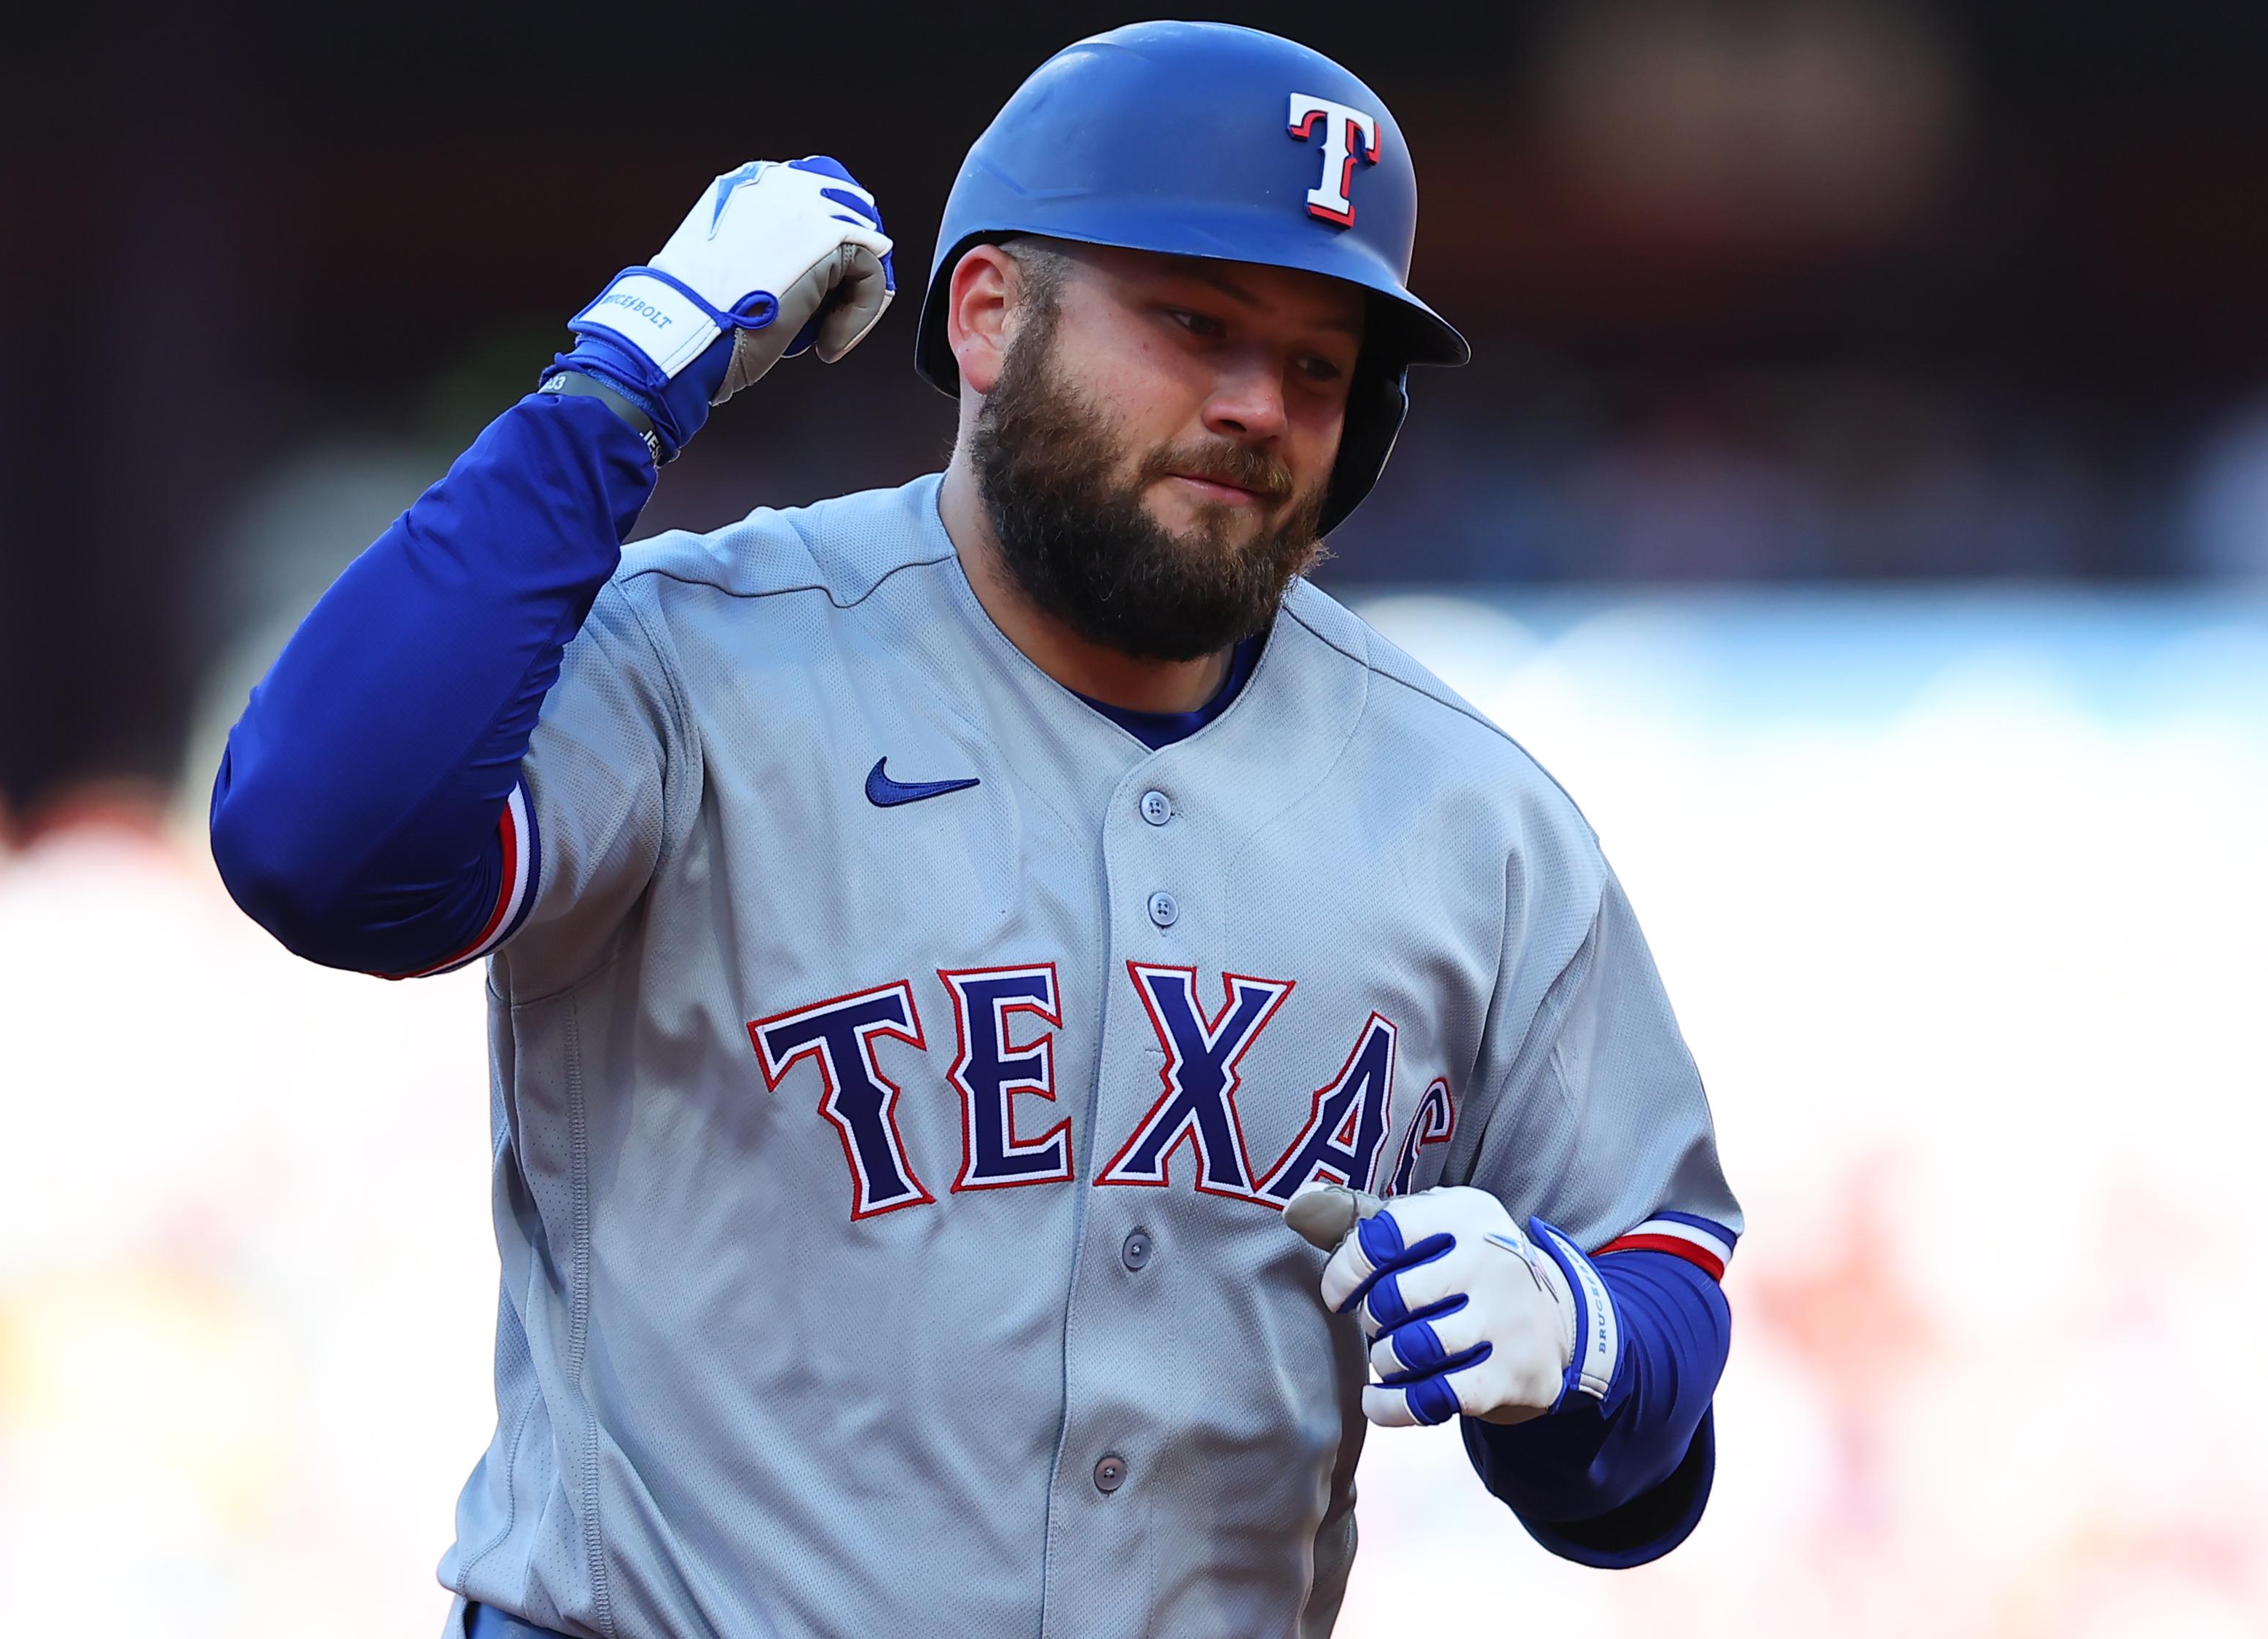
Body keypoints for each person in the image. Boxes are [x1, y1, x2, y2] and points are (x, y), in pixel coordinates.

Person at [210, 22, 1739, 1638]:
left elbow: (1638, 1455)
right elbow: (322, 847)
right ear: (989, 312)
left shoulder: (1470, 810)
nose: (1254, 406)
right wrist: (616, 386)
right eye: (1193, 322)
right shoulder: (701, 658)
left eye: (1314, 364)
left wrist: (1582, 1345)